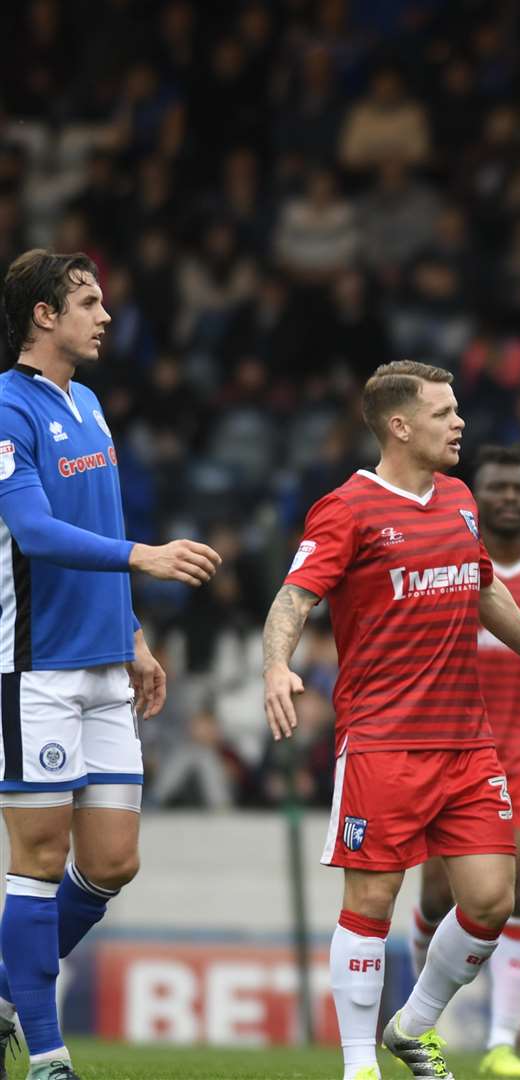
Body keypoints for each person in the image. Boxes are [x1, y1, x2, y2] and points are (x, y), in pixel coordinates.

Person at [260, 362, 520, 1080]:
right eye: (444, 413)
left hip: (468, 744)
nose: (459, 423)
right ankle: (357, 1065)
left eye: (457, 410)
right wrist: (275, 664)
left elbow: (482, 586)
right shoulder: (347, 508)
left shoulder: (461, 498)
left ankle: (414, 1024)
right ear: (401, 426)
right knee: (372, 901)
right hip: (382, 740)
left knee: (493, 902)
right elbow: (293, 598)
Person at [0, 250, 222, 1080]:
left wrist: (132, 635)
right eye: (87, 301)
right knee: (40, 857)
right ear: (43, 317)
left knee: (112, 862)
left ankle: (5, 990)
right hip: (37, 668)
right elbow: (35, 532)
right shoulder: (6, 408)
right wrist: (146, 559)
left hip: (103, 662)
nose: (104, 315)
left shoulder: (87, 403)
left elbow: (98, 512)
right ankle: (49, 1053)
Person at [407, 443, 520, 1079]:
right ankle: (424, 1026)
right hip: (451, 748)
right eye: (498, 487)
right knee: (439, 893)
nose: (510, 498)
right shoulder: (449, 569)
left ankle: (502, 1043)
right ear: (478, 495)